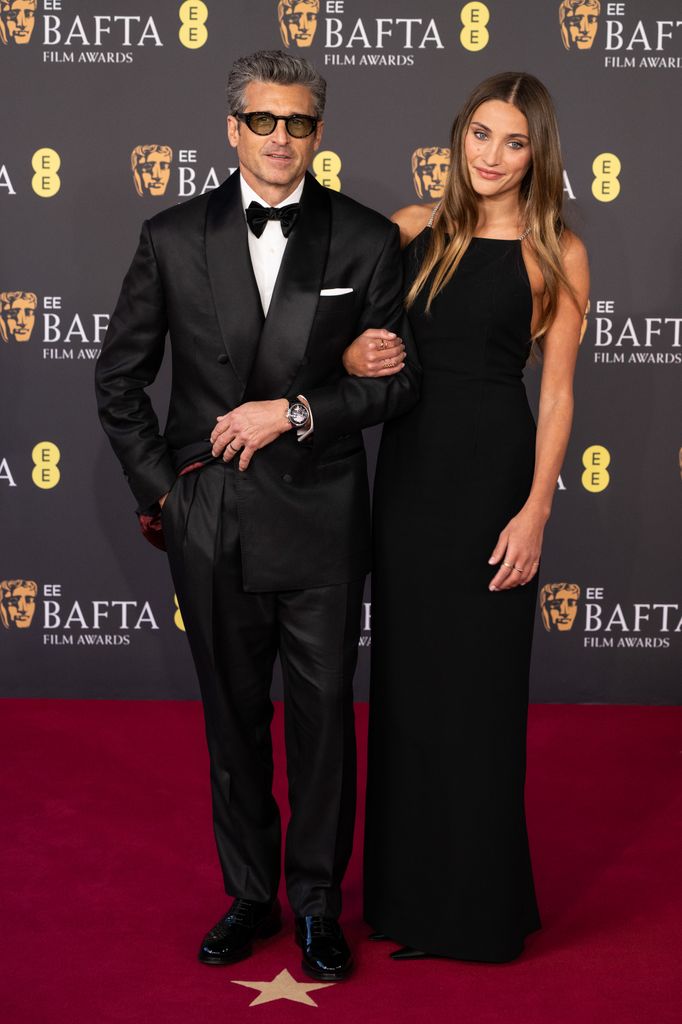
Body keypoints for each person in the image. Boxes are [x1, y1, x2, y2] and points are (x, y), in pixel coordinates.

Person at [95, 49, 419, 982]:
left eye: (300, 123)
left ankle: (317, 901)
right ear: (233, 127)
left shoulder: (364, 239)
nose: (282, 139)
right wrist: (168, 492)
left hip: (320, 516)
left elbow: (401, 388)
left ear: (321, 131)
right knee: (232, 722)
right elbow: (118, 381)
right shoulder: (170, 235)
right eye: (264, 122)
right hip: (214, 519)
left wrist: (304, 407)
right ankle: (249, 893)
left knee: (323, 720)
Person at [344, 71, 589, 962]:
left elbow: (557, 396)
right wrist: (351, 348)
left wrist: (535, 515)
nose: (491, 156)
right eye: (480, 135)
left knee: (481, 698)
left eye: (513, 141)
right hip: (410, 480)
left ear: (538, 152)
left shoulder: (556, 248)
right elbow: (345, 332)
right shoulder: (413, 231)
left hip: (495, 479)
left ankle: (477, 909)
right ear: (459, 139)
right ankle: (405, 902)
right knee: (409, 692)